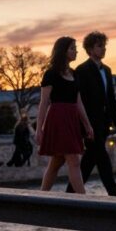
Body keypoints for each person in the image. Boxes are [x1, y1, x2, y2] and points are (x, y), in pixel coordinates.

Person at [66, 31, 116, 196]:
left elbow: (111, 99)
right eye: (100, 46)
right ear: (90, 49)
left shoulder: (107, 70)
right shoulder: (82, 70)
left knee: (89, 163)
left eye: (104, 46)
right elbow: (79, 101)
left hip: (103, 124)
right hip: (89, 125)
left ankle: (69, 195)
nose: (103, 49)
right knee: (103, 162)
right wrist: (84, 125)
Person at [36, 36, 93, 193]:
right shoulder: (51, 74)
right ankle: (84, 201)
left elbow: (78, 102)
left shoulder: (75, 74)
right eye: (72, 48)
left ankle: (41, 196)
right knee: (74, 161)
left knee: (56, 162)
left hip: (71, 119)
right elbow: (44, 102)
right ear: (63, 51)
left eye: (76, 48)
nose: (76, 51)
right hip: (58, 118)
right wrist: (38, 129)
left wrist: (87, 125)